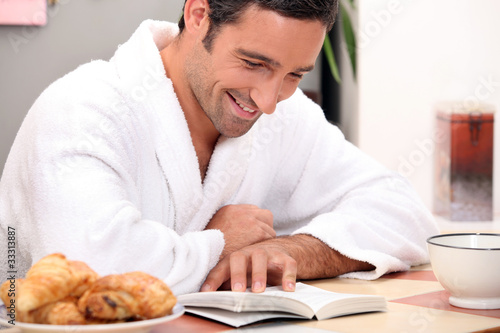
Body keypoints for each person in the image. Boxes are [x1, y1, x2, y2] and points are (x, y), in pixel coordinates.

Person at [0, 0, 439, 295]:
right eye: (253, 64)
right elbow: (93, 269)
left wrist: (289, 251)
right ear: (198, 15)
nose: (268, 102)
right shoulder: (82, 110)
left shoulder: (284, 115)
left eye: (294, 76)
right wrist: (220, 244)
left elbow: (403, 213)